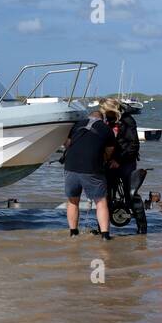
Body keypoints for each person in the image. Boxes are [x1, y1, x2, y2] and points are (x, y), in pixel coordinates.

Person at [63, 104, 115, 239]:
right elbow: (109, 152)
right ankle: (105, 235)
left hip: (70, 167)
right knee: (101, 202)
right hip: (91, 168)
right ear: (102, 120)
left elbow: (67, 144)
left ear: (89, 117)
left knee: (73, 201)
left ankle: (73, 233)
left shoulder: (77, 125)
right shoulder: (106, 129)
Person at [104, 98, 144, 233]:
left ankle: (142, 229)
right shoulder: (108, 120)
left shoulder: (128, 121)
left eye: (105, 111)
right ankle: (104, 229)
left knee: (131, 194)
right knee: (106, 195)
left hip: (126, 162)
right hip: (110, 162)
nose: (103, 113)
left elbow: (134, 145)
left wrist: (118, 161)